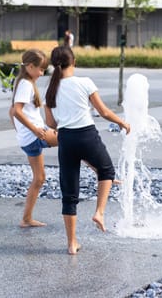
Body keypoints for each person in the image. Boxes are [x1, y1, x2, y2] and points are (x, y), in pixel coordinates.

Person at [44, 45, 130, 255]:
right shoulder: (85, 82)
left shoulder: (50, 90)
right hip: (87, 136)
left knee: (69, 194)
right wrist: (123, 123)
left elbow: (51, 123)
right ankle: (99, 213)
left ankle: (72, 243)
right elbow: (103, 111)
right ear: (73, 62)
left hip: (65, 140)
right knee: (107, 171)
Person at [9, 49, 58, 228]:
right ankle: (100, 171)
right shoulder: (26, 84)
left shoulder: (23, 82)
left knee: (39, 178)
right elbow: (16, 111)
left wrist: (21, 133)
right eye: (40, 69)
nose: (42, 73)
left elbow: (11, 112)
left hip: (28, 138)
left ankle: (26, 219)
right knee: (72, 138)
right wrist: (34, 130)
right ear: (30, 66)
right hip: (35, 135)